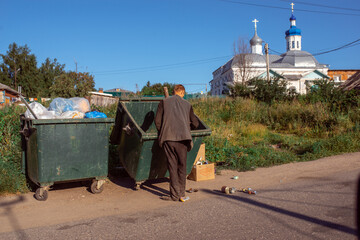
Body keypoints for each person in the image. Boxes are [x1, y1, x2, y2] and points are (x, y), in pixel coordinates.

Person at [155, 84, 199, 202]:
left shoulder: (163, 102)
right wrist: (187, 127)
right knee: (182, 166)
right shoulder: (187, 104)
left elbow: (157, 121)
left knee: (172, 166)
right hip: (183, 139)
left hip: (168, 138)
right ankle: (181, 193)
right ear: (182, 93)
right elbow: (195, 123)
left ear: (173, 92)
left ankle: (174, 195)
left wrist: (163, 131)